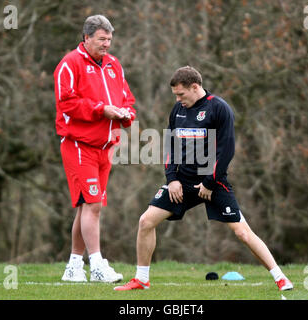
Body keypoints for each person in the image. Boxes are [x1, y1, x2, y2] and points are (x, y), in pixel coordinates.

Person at [114, 66, 293, 291]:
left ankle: (280, 277)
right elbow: (171, 145)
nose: (178, 100)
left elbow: (226, 150)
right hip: (182, 182)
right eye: (175, 96)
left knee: (243, 233)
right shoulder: (178, 110)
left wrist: (209, 182)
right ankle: (141, 279)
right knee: (145, 221)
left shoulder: (219, 108)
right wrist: (171, 179)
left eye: (181, 94)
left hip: (213, 183)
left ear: (195, 87)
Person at [54, 15, 136, 283]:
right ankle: (98, 264)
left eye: (109, 39)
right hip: (79, 145)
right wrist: (101, 110)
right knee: (93, 205)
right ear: (86, 37)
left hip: (105, 147)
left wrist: (126, 114)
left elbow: (127, 98)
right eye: (102, 39)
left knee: (86, 207)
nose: (107, 44)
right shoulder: (70, 64)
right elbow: (67, 103)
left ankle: (74, 266)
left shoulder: (114, 64)